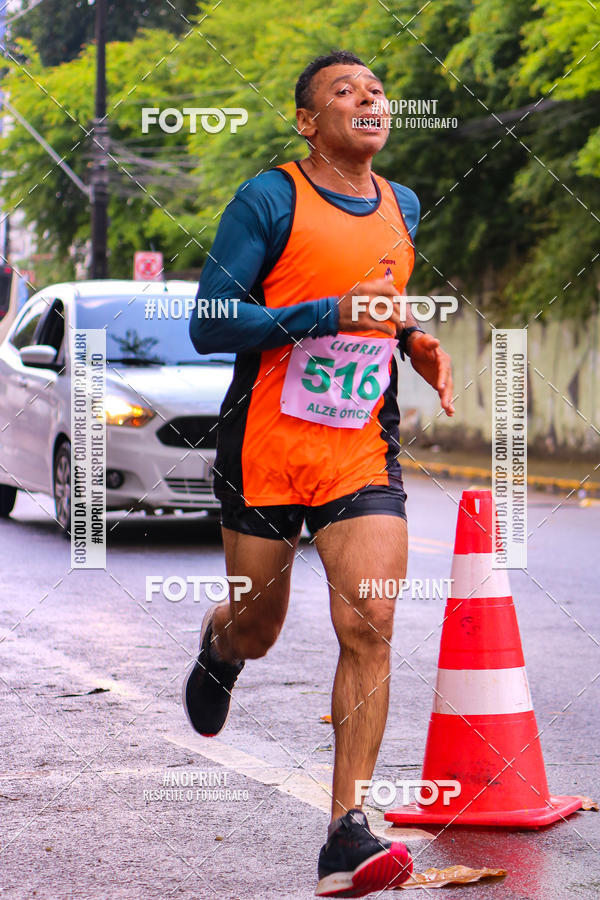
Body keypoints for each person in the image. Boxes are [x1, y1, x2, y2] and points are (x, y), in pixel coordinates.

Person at [185, 50, 454, 898]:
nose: (368, 97)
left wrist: (411, 338)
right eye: (345, 91)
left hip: (358, 447)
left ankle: (346, 830)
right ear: (308, 122)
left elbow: (380, 297)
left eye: (376, 89)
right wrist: (325, 313)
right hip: (266, 447)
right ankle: (221, 644)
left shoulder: (403, 203)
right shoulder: (269, 199)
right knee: (259, 628)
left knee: (371, 620)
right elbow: (210, 321)